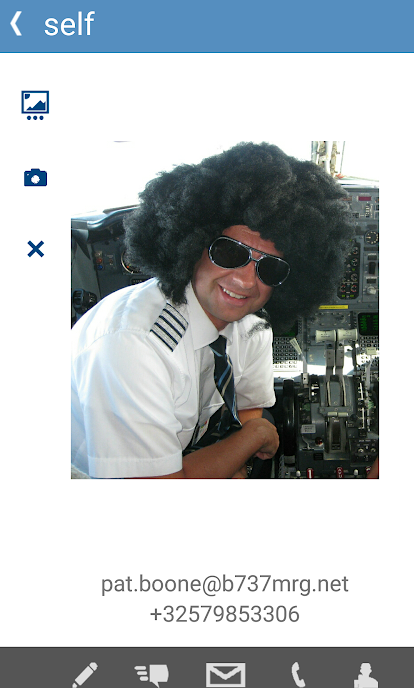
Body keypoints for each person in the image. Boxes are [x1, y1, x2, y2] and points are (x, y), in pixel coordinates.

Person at [71, 142, 353, 479]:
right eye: (231, 253)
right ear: (192, 244)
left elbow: (249, 407)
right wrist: (251, 440)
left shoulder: (252, 325)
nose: (246, 281)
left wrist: (237, 458)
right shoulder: (133, 345)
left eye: (270, 268)